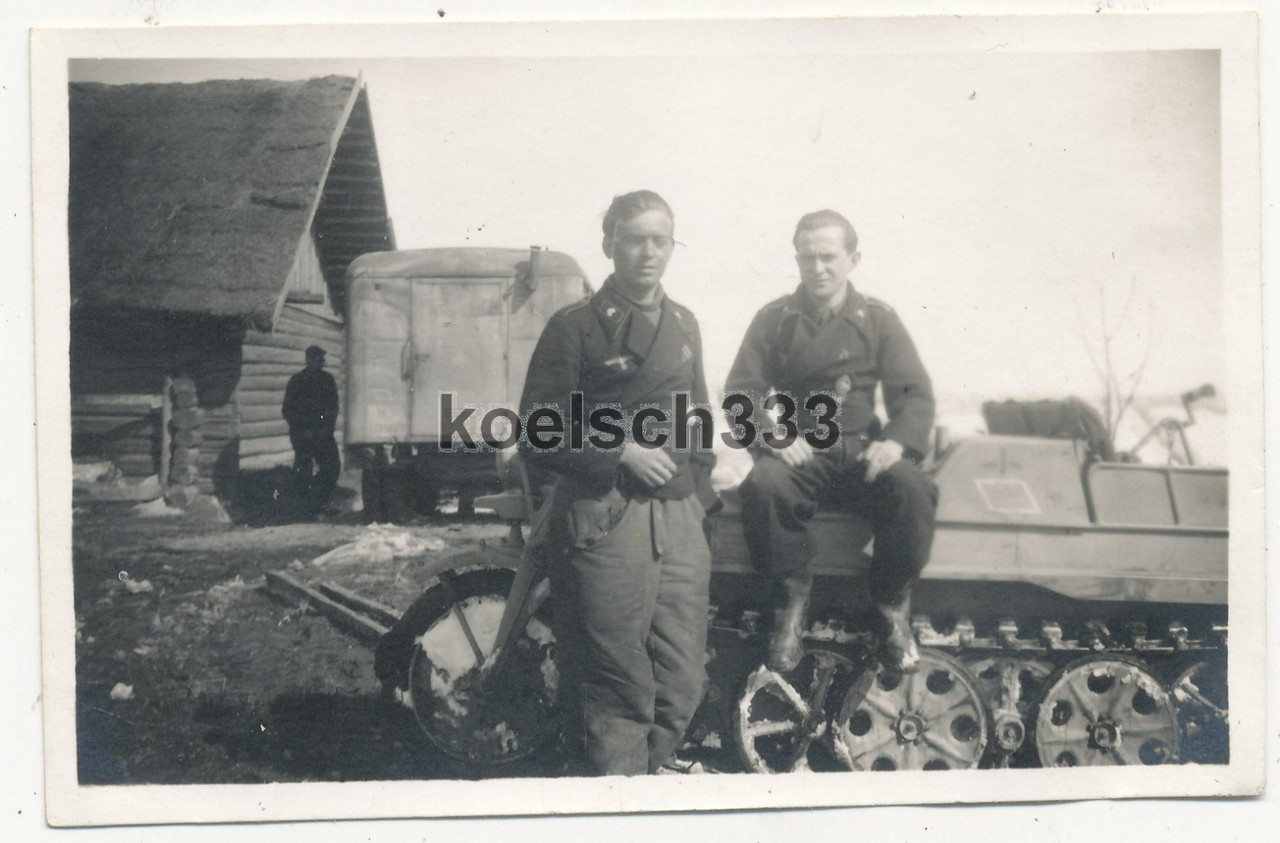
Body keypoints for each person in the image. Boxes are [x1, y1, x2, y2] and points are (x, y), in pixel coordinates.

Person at [519, 190, 717, 775]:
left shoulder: (684, 324)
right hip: (607, 515)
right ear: (610, 245)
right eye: (635, 240)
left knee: (683, 682)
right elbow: (537, 428)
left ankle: (635, 784)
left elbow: (699, 416)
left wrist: (700, 501)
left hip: (678, 517)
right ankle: (618, 802)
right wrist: (622, 450)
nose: (649, 253)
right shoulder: (575, 327)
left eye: (661, 240)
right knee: (616, 684)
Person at [725, 209, 936, 675]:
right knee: (765, 485)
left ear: (853, 259)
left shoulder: (878, 319)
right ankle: (790, 605)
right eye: (807, 258)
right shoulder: (775, 319)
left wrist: (898, 443)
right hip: (803, 451)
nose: (817, 268)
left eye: (828, 257)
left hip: (864, 453)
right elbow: (741, 391)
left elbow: (914, 394)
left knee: (913, 489)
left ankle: (891, 605)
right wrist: (774, 434)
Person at [282, 344, 341, 515]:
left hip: (323, 433)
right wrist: (303, 429)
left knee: (333, 467)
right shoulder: (296, 381)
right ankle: (303, 509)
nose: (321, 363)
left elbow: (333, 408)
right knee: (303, 471)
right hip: (303, 435)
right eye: (317, 360)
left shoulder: (328, 380)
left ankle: (321, 504)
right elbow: (288, 410)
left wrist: (327, 428)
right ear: (308, 360)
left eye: (322, 360)